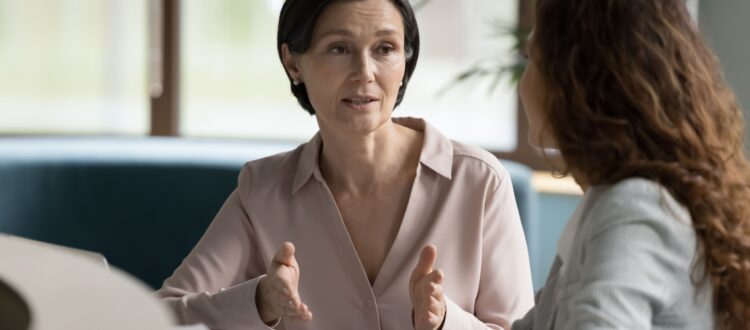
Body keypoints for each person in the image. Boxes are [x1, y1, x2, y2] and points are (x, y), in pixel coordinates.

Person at [156, 0, 534, 329]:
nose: (365, 72)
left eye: (385, 48)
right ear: (293, 63)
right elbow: (161, 316)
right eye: (339, 49)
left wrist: (444, 322)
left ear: (406, 59)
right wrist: (262, 301)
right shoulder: (262, 190)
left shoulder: (480, 183)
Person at [511, 0, 750, 329]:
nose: (521, 84)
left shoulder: (631, 207)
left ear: (575, 80)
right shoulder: (614, 201)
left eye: (530, 60)